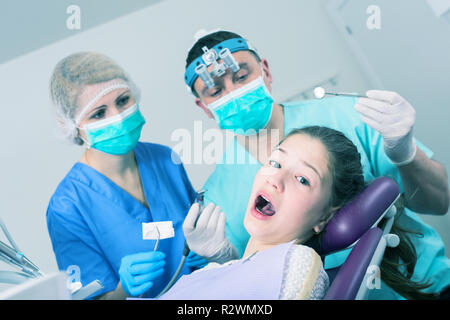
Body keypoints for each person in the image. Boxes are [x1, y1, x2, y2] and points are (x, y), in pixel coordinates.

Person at [182, 30, 450, 299]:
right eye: (216, 90)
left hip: (427, 288)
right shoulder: (218, 195)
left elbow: (439, 202)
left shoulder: (346, 115)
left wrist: (407, 155)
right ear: (204, 107)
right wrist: (224, 262)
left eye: (241, 76)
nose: (234, 92)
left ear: (266, 70)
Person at [164, 126, 437, 299]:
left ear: (324, 217)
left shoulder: (295, 266)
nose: (275, 178)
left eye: (303, 179)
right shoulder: (227, 270)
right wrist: (226, 264)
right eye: (275, 161)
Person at [46, 52, 204, 299]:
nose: (118, 116)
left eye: (122, 100)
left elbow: (200, 230)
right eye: (98, 113)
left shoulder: (165, 160)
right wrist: (122, 290)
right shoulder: (67, 206)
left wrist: (209, 250)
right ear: (73, 126)